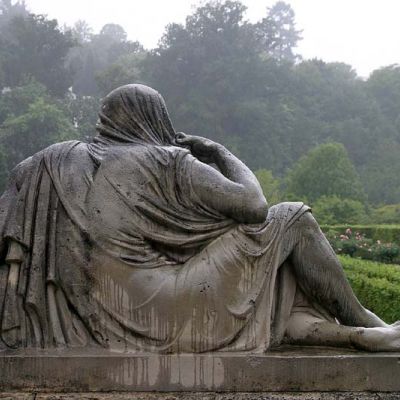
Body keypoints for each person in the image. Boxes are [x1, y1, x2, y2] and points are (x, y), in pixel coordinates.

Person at [0, 84, 399, 352]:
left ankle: (356, 335)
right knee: (291, 218)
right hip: (169, 308)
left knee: (274, 281)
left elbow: (10, 207)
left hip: (100, 315)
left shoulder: (52, 161)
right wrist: (221, 153)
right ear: (156, 120)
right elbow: (254, 205)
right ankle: (364, 319)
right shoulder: (166, 161)